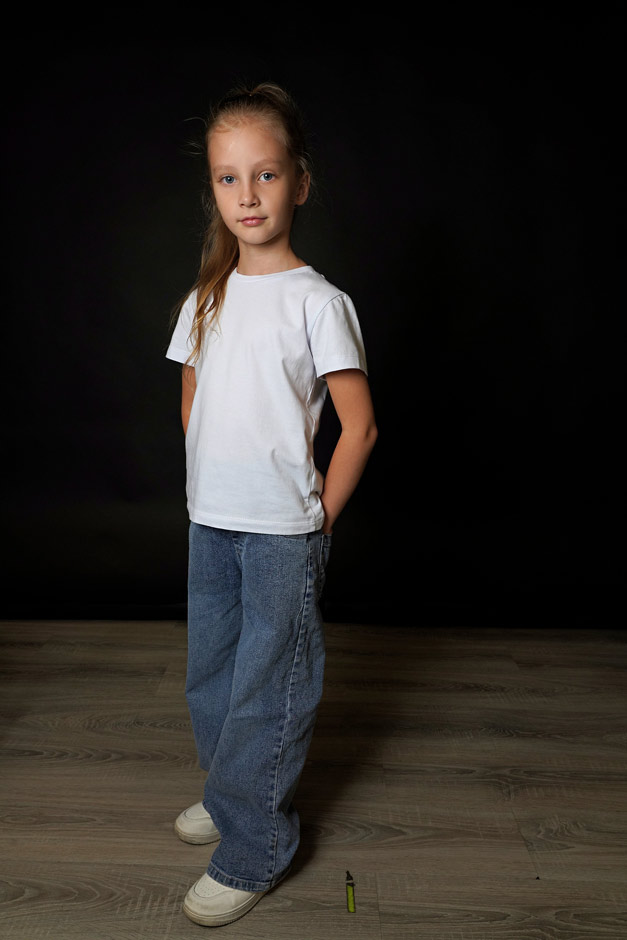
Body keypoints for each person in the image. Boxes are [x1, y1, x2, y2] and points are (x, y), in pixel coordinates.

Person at [166, 81, 377, 928]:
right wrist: (208, 479)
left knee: (268, 690)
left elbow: (359, 428)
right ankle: (231, 793)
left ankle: (256, 845)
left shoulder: (318, 303)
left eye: (265, 174)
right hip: (210, 522)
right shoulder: (206, 296)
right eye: (228, 178)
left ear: (299, 183)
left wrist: (318, 518)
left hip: (283, 534)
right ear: (213, 189)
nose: (246, 195)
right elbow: (192, 392)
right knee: (212, 677)